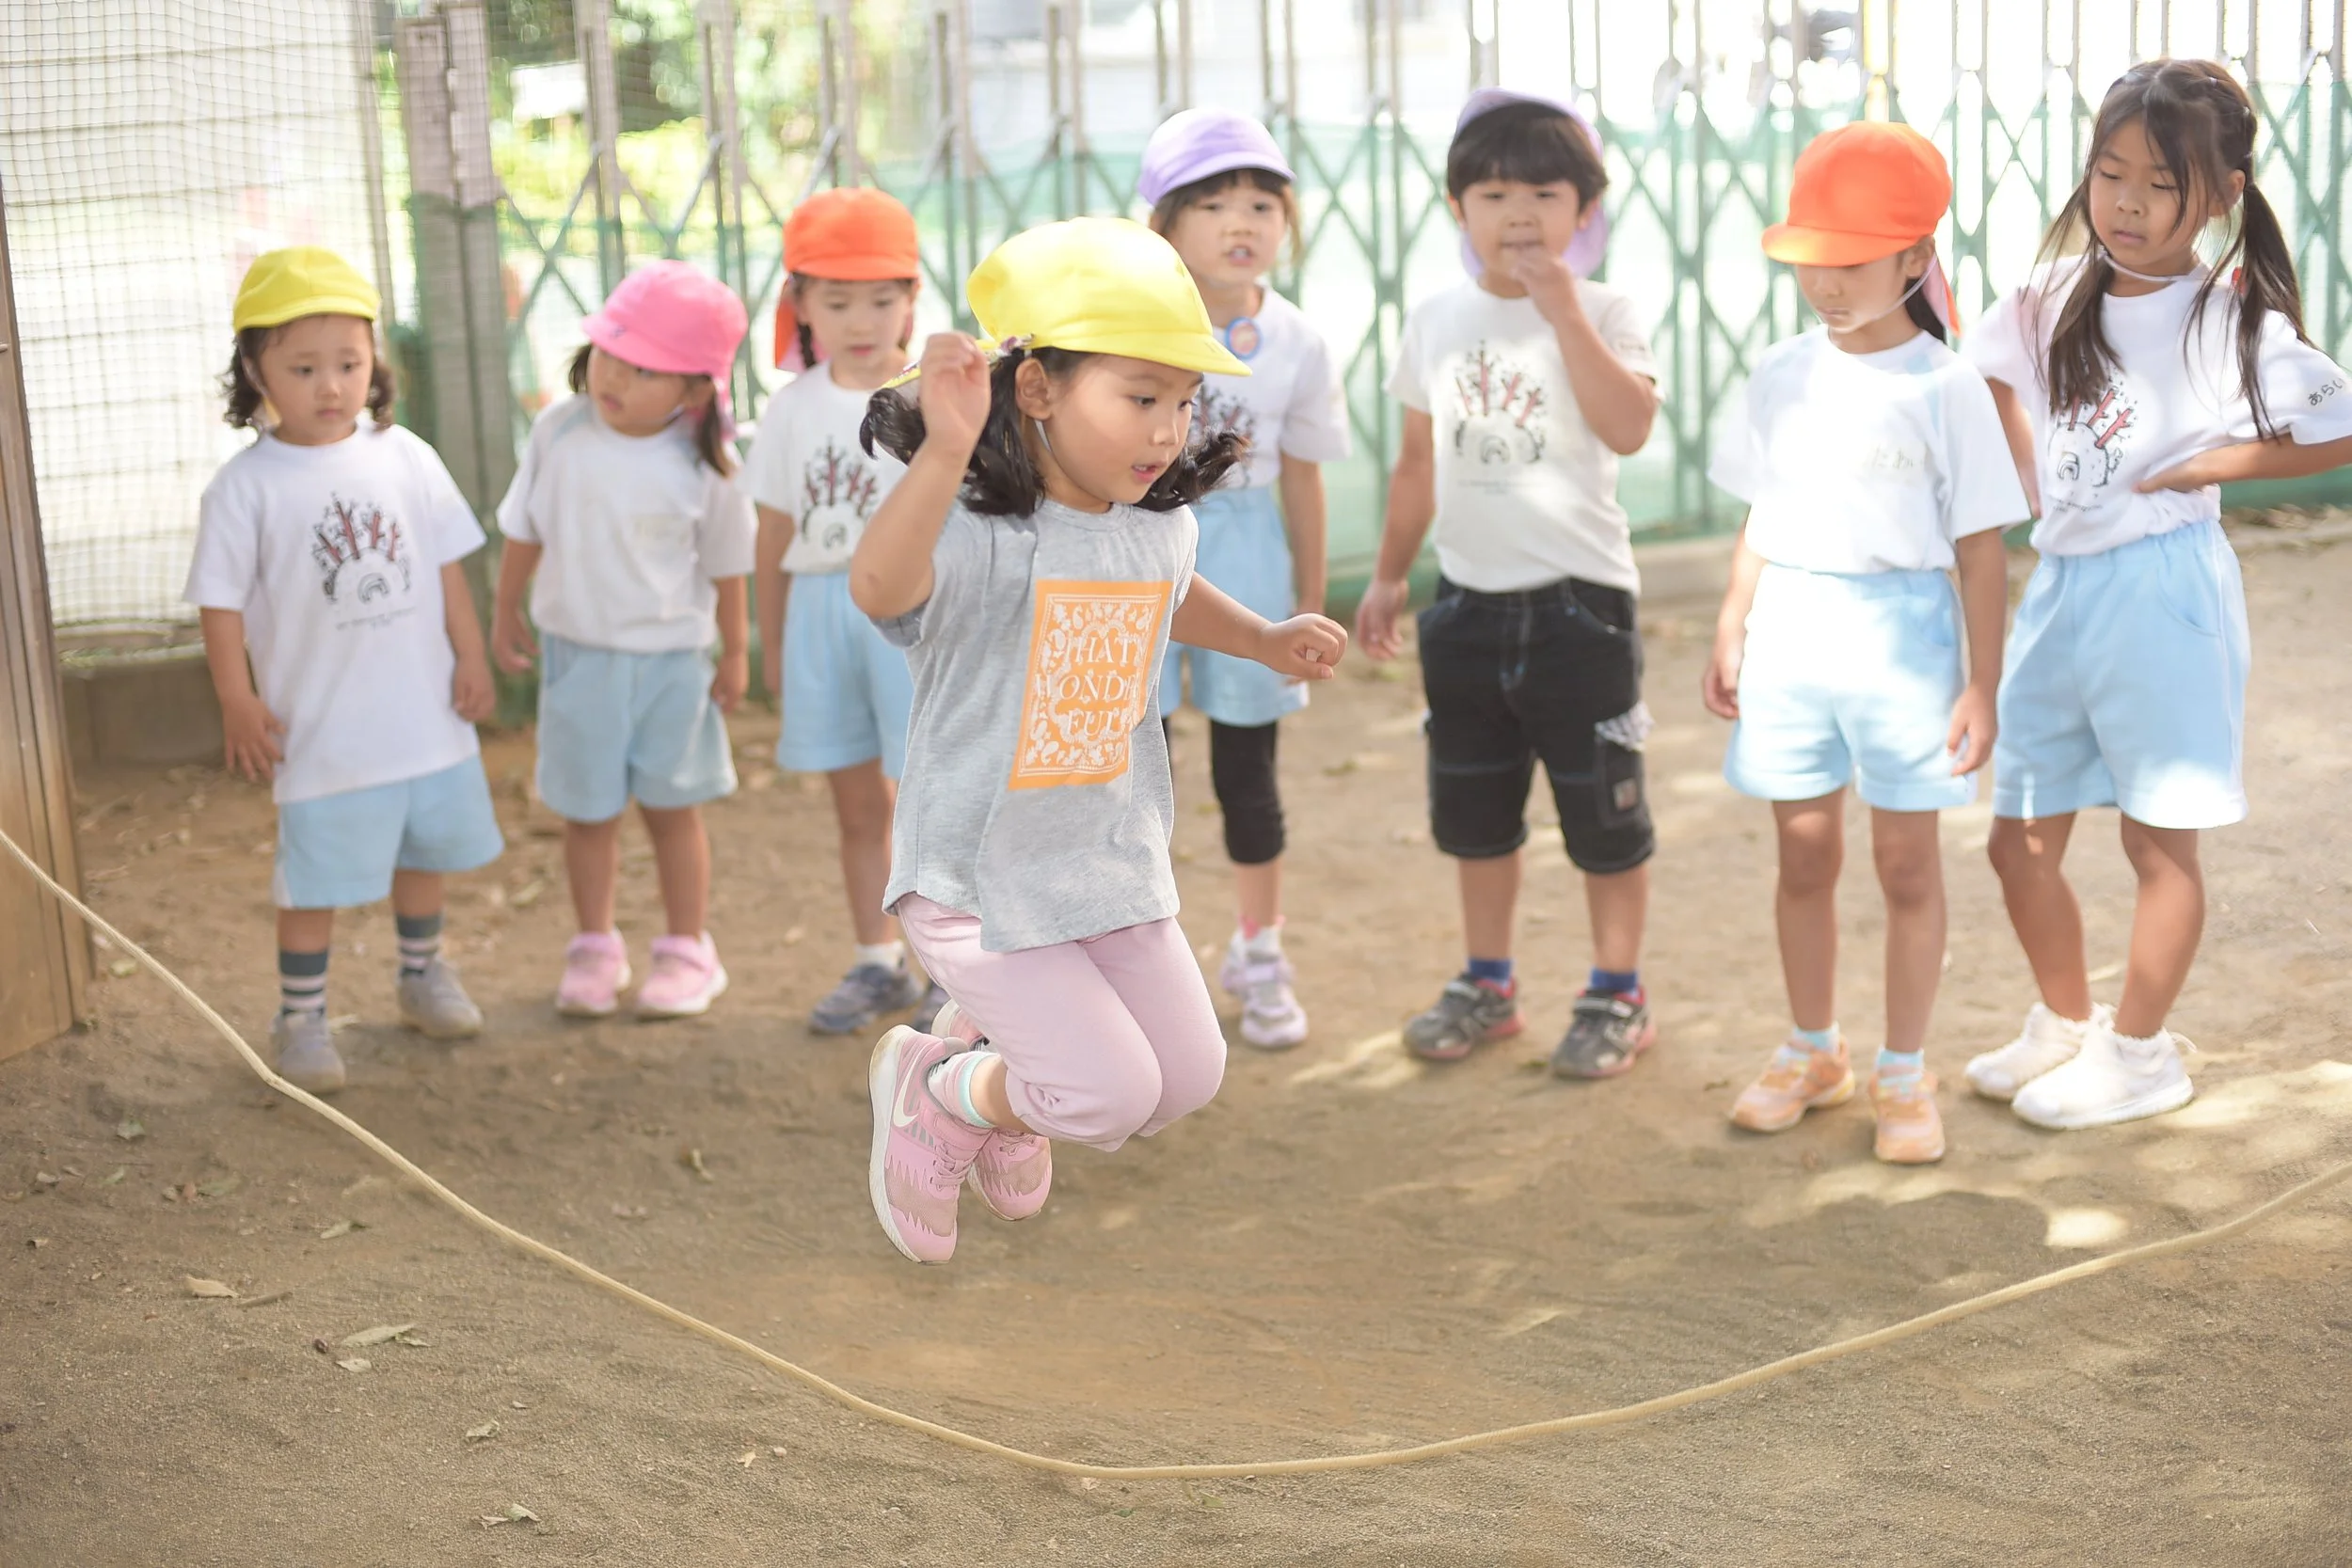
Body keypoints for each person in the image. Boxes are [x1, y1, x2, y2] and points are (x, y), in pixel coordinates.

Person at [850, 217, 1350, 1263]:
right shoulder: (985, 533)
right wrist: (945, 450)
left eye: (1180, 400)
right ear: (1034, 388)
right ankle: (945, 1092)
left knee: (1184, 1078)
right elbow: (880, 588)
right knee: (1100, 1092)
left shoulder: (1156, 522)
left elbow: (1166, 594)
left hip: (1103, 863)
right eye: (1139, 396)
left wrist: (1259, 637)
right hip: (978, 879)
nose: (1168, 430)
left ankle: (992, 1069)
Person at [1962, 59, 2352, 1129]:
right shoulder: (2046, 297)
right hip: (2064, 585)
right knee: (2019, 836)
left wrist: (2205, 466)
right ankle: (2066, 1023)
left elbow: (2336, 426)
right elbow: (1987, 374)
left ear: (2222, 195)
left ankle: (2139, 1056)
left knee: (2154, 841)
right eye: (2107, 173)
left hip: (2163, 592)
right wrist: (2020, 474)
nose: (2125, 203)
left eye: (2159, 183)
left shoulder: (2232, 325)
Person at [1702, 123, 2027, 1164]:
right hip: (1791, 625)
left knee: (1904, 861)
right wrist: (1730, 620)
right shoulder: (1779, 373)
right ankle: (1813, 1046)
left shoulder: (1948, 386)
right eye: (1813, 263)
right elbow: (1763, 510)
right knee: (1803, 851)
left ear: (1913, 259)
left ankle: (1903, 1065)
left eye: (1852, 263)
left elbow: (1981, 553)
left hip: (1903, 639)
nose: (1828, 285)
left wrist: (1982, 683)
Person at [1356, 88, 1664, 1078]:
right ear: (1458, 210)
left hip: (1580, 605)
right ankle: (1486, 981)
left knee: (1603, 817)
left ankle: (1617, 990)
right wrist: (1391, 575)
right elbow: (1414, 463)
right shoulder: (1437, 319)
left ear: (1585, 210)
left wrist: (1562, 307)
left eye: (1544, 190)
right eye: (1492, 192)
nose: (1519, 213)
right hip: (1466, 605)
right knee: (1475, 813)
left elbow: (1628, 426)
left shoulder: (1608, 308)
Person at [187, 246, 502, 1094]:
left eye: (349, 364)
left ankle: (421, 972)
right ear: (255, 369)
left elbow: (446, 569)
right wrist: (237, 699)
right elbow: (218, 603)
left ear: (374, 364)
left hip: (423, 718)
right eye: (303, 367)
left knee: (423, 848)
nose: (331, 385)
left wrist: (470, 657)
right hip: (322, 732)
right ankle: (302, 1016)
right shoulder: (243, 489)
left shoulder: (407, 456)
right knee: (316, 875)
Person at [490, 261, 755, 1021]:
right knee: (587, 812)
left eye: (645, 370)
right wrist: (506, 609)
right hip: (577, 659)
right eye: (611, 353)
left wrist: (734, 652)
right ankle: (594, 945)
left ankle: (685, 949)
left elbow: (728, 568)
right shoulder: (559, 431)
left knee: (674, 810)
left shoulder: (709, 466)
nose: (616, 377)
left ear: (695, 390)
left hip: (673, 665)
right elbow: (523, 528)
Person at [1138, 108, 1352, 1050]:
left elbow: (1302, 477)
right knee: (1136, 768)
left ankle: (1260, 949)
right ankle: (1140, 953)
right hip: (1139, 550)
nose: (1242, 220)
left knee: (1247, 772)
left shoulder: (1298, 339)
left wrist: (1306, 600)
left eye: (1262, 202)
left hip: (1251, 554)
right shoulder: (1132, 325)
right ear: (1166, 223)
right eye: (1214, 201)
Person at [744, 187, 945, 1037]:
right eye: (836, 299)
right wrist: (770, 642)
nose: (861, 319)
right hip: (823, 614)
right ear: (800, 305)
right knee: (857, 802)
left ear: (911, 298)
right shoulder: (791, 408)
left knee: (932, 795)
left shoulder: (938, 394)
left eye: (880, 297)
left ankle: (952, 972)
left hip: (918, 615)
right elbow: (772, 534)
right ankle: (879, 961)